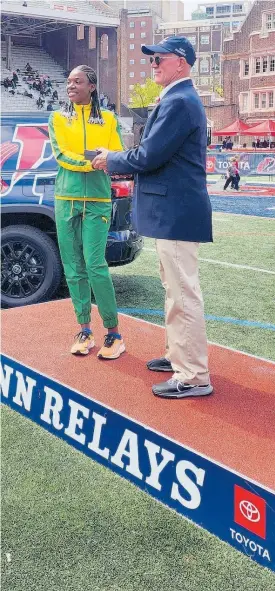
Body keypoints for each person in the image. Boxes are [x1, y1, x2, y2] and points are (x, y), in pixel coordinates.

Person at [93, 36, 213, 399]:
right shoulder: (178, 99)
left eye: (159, 59)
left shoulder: (179, 101)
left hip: (175, 212)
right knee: (174, 290)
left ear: (181, 62)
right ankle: (179, 355)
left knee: (182, 294)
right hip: (173, 212)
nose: (153, 65)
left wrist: (110, 159)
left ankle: (192, 376)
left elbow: (148, 156)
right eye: (152, 60)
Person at [48, 64, 125, 359]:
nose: (71, 86)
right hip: (65, 199)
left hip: (96, 200)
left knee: (95, 265)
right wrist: (91, 163)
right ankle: (84, 330)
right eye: (68, 81)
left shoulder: (107, 118)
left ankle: (114, 334)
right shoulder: (56, 117)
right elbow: (60, 155)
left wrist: (108, 160)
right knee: (73, 267)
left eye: (77, 81)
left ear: (91, 86)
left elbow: (116, 153)